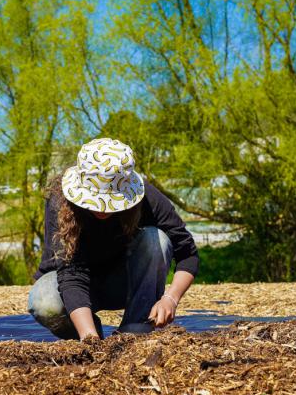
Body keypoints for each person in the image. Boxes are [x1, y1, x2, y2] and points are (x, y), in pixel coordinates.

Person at [29, 138, 199, 340]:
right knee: (44, 302)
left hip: (124, 283)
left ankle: (134, 331)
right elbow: (72, 273)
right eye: (95, 200)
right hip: (67, 291)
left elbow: (187, 254)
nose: (102, 208)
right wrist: (90, 338)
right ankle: (87, 335)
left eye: (110, 201)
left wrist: (170, 299)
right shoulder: (60, 201)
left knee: (157, 239)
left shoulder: (149, 200)